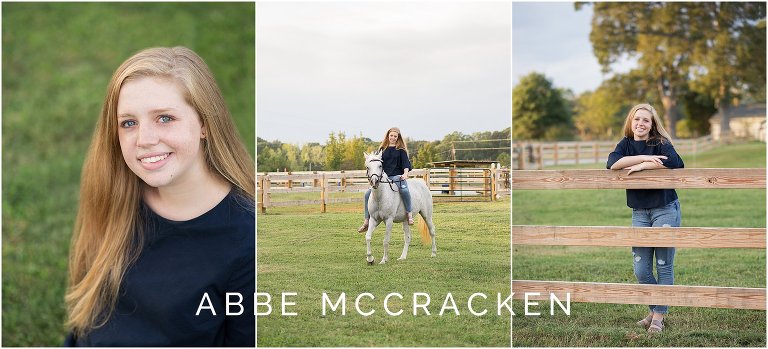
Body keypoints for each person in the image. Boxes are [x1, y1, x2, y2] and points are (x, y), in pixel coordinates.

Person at [64, 47, 255, 346]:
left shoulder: (247, 241)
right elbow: (87, 326)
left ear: (205, 123)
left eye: (164, 118)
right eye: (129, 123)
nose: (145, 140)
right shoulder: (116, 193)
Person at [606, 103, 684, 334]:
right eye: (637, 119)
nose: (640, 123)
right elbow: (612, 163)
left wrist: (644, 166)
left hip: (665, 208)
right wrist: (643, 161)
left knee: (663, 265)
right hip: (639, 212)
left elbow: (676, 162)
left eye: (646, 120)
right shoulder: (625, 143)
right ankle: (654, 309)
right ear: (631, 121)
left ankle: (658, 317)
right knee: (641, 270)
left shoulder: (661, 142)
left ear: (652, 124)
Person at [357, 127, 414, 232]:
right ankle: (366, 221)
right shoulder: (382, 149)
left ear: (398, 137)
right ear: (388, 136)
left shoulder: (401, 150)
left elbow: (406, 164)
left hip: (396, 176)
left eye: (395, 136)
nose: (393, 138)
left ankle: (409, 214)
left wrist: (405, 174)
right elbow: (376, 163)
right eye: (391, 135)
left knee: (405, 190)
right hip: (383, 178)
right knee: (366, 194)